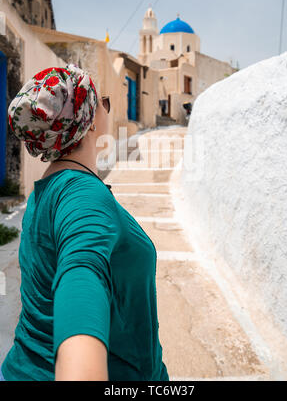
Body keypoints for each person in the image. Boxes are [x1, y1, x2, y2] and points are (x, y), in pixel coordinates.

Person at [0, 64, 169, 381]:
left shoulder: (48, 188)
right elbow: (81, 278)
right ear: (89, 120)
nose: (108, 105)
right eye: (103, 100)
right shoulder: (83, 198)